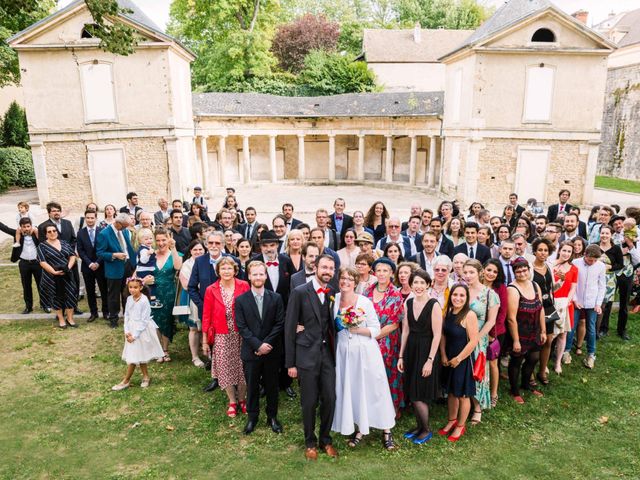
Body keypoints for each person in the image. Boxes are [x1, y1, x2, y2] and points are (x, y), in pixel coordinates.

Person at [332, 267, 396, 450]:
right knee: (354, 391)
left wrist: (358, 329)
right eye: (343, 278)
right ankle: (360, 427)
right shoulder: (334, 299)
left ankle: (386, 430)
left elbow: (376, 328)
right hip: (344, 352)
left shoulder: (364, 302)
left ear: (355, 282)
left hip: (366, 351)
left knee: (375, 390)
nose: (345, 282)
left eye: (350, 279)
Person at [284, 254, 338, 461]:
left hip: (327, 355)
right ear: (315, 267)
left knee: (330, 398)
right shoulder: (299, 292)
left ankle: (326, 439)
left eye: (331, 268)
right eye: (324, 267)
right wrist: (291, 363)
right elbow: (289, 329)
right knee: (308, 401)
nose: (327, 271)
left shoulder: (333, 292)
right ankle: (310, 442)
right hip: (305, 355)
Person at [235, 261, 285, 435]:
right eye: (254, 274)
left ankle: (272, 416)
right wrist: (257, 345)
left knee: (272, 385)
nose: (258, 277)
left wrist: (266, 345)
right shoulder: (241, 300)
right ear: (249, 276)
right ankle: (252, 417)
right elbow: (242, 327)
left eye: (261, 274)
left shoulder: (276, 298)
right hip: (251, 351)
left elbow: (279, 323)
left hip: (271, 351)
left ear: (265, 276)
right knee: (252, 386)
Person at [202, 257, 250, 417]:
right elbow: (206, 315)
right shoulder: (211, 289)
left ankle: (242, 399)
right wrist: (204, 341)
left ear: (235, 270)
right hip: (221, 335)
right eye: (223, 268)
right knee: (225, 368)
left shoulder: (244, 286)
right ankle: (232, 401)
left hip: (241, 334)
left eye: (229, 268)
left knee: (242, 367)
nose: (226, 271)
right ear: (218, 271)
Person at [398, 269, 442, 444]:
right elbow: (406, 330)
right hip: (411, 350)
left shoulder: (434, 304)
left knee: (419, 394)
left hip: (426, 350)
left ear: (428, 285)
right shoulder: (408, 304)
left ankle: (426, 430)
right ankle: (418, 427)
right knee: (411, 390)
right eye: (415, 282)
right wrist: (401, 356)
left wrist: (430, 360)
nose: (418, 286)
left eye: (422, 283)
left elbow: (437, 335)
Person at [252, 230, 296, 398]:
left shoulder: (286, 261)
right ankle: (264, 382)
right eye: (265, 245)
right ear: (260, 247)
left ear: (277, 245)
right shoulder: (254, 262)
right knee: (264, 347)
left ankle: (286, 383)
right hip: (261, 313)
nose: (269, 249)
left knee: (285, 348)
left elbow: (293, 287)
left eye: (272, 245)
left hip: (284, 313)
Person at [439, 284, 479, 442]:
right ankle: (452, 420)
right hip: (449, 358)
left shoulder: (469, 315)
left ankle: (461, 426)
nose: (458, 298)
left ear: (466, 298)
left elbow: (474, 340)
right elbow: (443, 335)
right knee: (451, 392)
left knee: (462, 395)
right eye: (455, 295)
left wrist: (459, 358)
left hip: (463, 360)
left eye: (462, 295)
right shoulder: (448, 312)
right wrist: (443, 353)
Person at [364, 258, 404, 414]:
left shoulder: (395, 294)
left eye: (385, 270)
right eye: (378, 270)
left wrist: (373, 335)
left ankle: (390, 408)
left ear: (391, 273)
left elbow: (394, 323)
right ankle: (371, 407)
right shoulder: (367, 291)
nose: (381, 274)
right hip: (367, 338)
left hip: (386, 340)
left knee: (386, 374)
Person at [111, 277, 165, 391]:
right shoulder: (129, 299)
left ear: (141, 287)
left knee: (133, 357)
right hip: (131, 330)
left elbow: (144, 320)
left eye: (135, 287)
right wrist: (127, 331)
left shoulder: (144, 300)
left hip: (140, 331)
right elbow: (126, 315)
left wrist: (134, 335)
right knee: (138, 354)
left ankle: (125, 381)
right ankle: (146, 377)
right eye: (130, 287)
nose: (132, 290)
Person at [506, 257, 546, 404]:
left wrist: (542, 331)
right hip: (519, 331)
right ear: (514, 272)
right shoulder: (512, 289)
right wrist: (516, 340)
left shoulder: (535, 285)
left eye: (524, 270)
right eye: (518, 271)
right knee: (517, 361)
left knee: (533, 358)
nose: (522, 273)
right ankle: (514, 390)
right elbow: (511, 318)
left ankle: (526, 384)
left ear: (529, 270)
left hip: (535, 330)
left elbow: (540, 309)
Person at [463, 259, 498, 422]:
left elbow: (491, 321)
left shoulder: (490, 294)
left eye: (471, 272)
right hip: (461, 336)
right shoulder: (461, 290)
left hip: (479, 338)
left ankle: (477, 407)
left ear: (480, 273)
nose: (468, 276)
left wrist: (477, 338)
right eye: (465, 272)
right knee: (463, 370)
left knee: (476, 371)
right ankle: (463, 401)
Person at [144, 228, 182, 362]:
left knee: (166, 320)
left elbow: (178, 267)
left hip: (168, 291)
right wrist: (144, 281)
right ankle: (157, 349)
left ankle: (165, 349)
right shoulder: (150, 255)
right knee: (154, 320)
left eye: (163, 240)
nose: (160, 243)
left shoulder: (174, 254)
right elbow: (139, 272)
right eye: (158, 240)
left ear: (168, 239)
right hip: (153, 291)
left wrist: (174, 248)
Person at [567, 245, 606, 370]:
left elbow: (602, 286)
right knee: (571, 326)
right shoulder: (575, 263)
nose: (592, 262)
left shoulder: (600, 266)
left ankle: (591, 354)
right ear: (585, 254)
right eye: (590, 260)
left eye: (595, 260)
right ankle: (566, 351)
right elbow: (571, 283)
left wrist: (598, 303)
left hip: (592, 302)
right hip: (577, 300)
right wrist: (574, 299)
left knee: (591, 328)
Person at [96, 213, 137, 328]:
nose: (125, 228)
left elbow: (128, 247)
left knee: (127, 293)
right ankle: (113, 319)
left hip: (127, 266)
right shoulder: (104, 234)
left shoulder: (123, 231)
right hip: (114, 268)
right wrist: (114, 255)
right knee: (113, 296)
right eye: (124, 226)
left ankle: (127, 317)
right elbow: (100, 253)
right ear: (118, 223)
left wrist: (134, 264)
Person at [0, 217, 46, 314]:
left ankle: (45, 305)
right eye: (24, 227)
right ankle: (28, 307)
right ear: (20, 227)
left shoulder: (37, 232)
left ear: (31, 225)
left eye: (28, 226)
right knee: (26, 285)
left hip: (37, 263)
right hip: (24, 263)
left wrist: (37, 233)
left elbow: (44, 242)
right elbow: (5, 228)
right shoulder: (17, 234)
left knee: (41, 284)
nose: (26, 229)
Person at [37, 224, 78, 328]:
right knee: (56, 297)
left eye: (54, 230)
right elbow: (42, 262)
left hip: (67, 274)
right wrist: (54, 272)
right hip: (52, 277)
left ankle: (70, 318)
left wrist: (68, 267)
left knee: (71, 295)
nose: (52, 233)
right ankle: (61, 319)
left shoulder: (64, 243)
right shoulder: (42, 246)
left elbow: (72, 255)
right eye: (49, 231)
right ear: (45, 234)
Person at [177, 240, 207, 368]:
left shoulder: (208, 262)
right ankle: (195, 356)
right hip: (192, 298)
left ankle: (208, 352)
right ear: (190, 251)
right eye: (195, 250)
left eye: (200, 249)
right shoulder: (186, 265)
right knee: (194, 328)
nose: (198, 252)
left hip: (208, 297)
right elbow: (186, 285)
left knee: (207, 327)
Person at [530, 238, 556, 386]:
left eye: (546, 250)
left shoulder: (550, 266)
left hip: (549, 307)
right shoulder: (530, 268)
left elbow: (551, 288)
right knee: (535, 342)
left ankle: (542, 371)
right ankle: (530, 373)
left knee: (549, 340)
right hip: (536, 309)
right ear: (534, 251)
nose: (543, 253)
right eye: (540, 250)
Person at [482, 259, 507, 407]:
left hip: (496, 332)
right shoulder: (476, 285)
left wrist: (492, 334)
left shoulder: (500, 288)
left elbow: (502, 313)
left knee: (492, 363)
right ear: (483, 269)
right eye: (489, 270)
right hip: (477, 330)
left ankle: (494, 393)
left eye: (495, 272)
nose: (491, 274)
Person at [76, 210, 108, 322]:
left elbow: (105, 249)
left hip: (101, 265)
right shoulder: (80, 233)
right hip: (87, 267)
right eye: (88, 218)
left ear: (96, 218)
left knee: (104, 290)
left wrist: (98, 262)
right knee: (90, 291)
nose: (90, 220)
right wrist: (90, 263)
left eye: (92, 218)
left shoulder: (103, 231)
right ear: (85, 219)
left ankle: (105, 312)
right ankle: (93, 313)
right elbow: (80, 250)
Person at [552, 242, 578, 373]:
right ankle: (544, 361)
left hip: (566, 304)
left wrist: (568, 301)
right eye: (564, 250)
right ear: (559, 250)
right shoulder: (551, 265)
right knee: (550, 334)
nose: (566, 254)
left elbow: (573, 287)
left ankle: (557, 362)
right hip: (552, 303)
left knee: (563, 334)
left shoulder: (573, 269)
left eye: (569, 251)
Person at [596, 225, 623, 338]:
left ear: (611, 235)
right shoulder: (595, 246)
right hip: (596, 278)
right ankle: (592, 328)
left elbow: (620, 264)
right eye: (602, 233)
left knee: (605, 305)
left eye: (607, 233)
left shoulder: (616, 248)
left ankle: (603, 328)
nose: (604, 235)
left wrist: (609, 267)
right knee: (595, 304)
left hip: (609, 280)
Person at [135, 229, 162, 308]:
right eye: (146, 239)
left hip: (147, 269)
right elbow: (143, 261)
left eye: (150, 238)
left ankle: (151, 299)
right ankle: (151, 301)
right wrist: (148, 253)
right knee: (150, 285)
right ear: (140, 241)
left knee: (151, 285)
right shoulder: (144, 250)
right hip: (145, 271)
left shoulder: (148, 248)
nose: (149, 240)